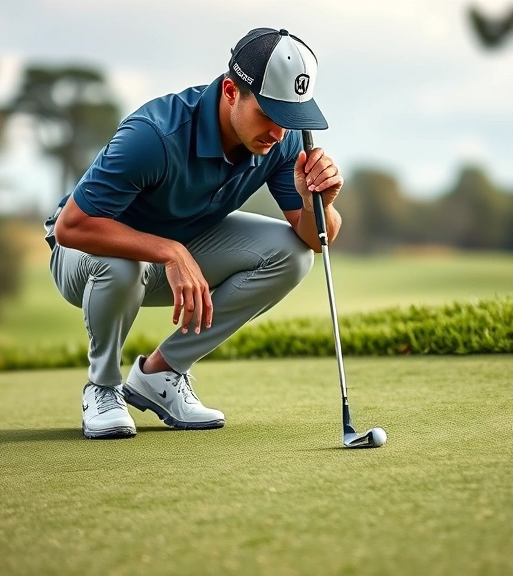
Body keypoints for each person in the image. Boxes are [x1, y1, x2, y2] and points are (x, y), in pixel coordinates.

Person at [43, 28, 344, 439]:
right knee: (123, 266)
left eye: (289, 118)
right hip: (85, 254)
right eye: (268, 114)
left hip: (176, 247)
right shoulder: (154, 136)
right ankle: (103, 387)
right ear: (231, 92)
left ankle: (161, 373)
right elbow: (72, 227)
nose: (278, 132)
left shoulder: (280, 142)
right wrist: (170, 251)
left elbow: (315, 239)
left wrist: (317, 203)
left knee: (292, 255)